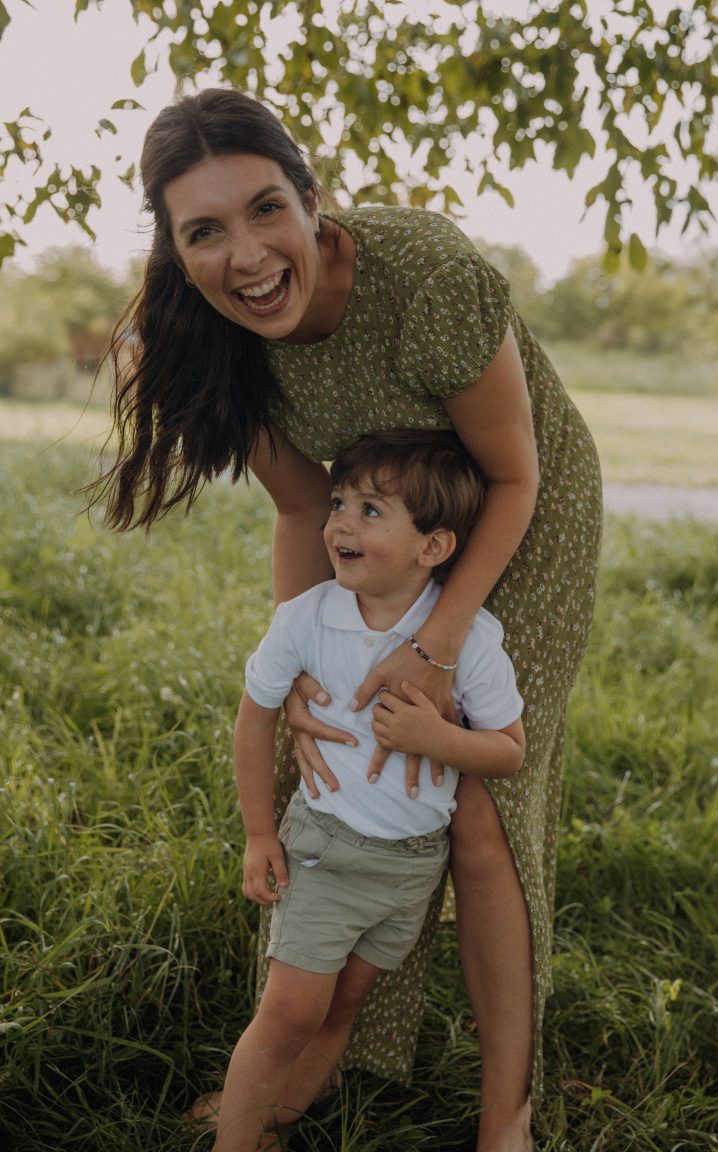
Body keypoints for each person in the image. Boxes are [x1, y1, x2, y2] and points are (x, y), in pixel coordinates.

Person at [92, 87, 603, 1152]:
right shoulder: (223, 336)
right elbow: (296, 502)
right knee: (334, 766)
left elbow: (515, 475)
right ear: (175, 249)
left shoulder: (429, 278)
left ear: (313, 198)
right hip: (371, 527)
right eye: (205, 231)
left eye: (265, 209)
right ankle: (315, 1052)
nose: (247, 255)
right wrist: (312, 670)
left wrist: (435, 641)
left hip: (518, 511)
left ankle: (505, 1111)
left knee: (472, 808)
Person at [218, 429, 525, 1151]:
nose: (340, 524)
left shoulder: (469, 640)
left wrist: (440, 741)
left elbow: (511, 753)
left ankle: (277, 1120)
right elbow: (253, 721)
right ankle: (236, 1140)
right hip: (325, 852)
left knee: (344, 1003)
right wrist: (261, 834)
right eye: (338, 503)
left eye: (371, 510)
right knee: (290, 1012)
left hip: (412, 866)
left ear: (435, 546)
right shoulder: (305, 618)